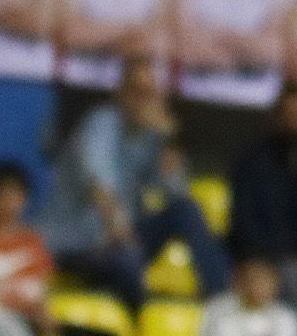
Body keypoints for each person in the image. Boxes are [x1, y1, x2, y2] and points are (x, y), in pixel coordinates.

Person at [40, 58, 231, 310]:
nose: (144, 101)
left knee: (185, 210)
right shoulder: (101, 123)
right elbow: (100, 188)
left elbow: (174, 192)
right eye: (137, 91)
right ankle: (140, 323)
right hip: (78, 242)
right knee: (128, 259)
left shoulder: (150, 137)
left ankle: (221, 302)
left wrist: (170, 140)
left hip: (122, 241)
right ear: (120, 93)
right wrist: (124, 236)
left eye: (150, 94)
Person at [229, 82, 297, 281]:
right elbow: (244, 224)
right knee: (291, 276)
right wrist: (282, 258)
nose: (295, 124)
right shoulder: (252, 163)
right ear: (277, 118)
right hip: (260, 258)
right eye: (290, 116)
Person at [0, 160, 56, 330]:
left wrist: (40, 310)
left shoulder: (33, 240)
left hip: (30, 318)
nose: (8, 201)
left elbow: (42, 285)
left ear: (24, 198)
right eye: (2, 194)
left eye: (14, 194)